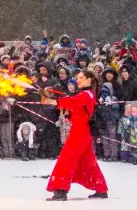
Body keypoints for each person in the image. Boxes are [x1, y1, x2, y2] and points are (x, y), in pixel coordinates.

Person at [44, 69, 108, 201]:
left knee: (66, 160)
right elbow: (76, 112)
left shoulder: (87, 94)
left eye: (81, 78)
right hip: (81, 131)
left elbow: (72, 102)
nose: (78, 80)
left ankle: (60, 190)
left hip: (80, 133)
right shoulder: (87, 94)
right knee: (89, 163)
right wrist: (67, 112)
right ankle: (101, 189)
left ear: (89, 80)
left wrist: (53, 101)